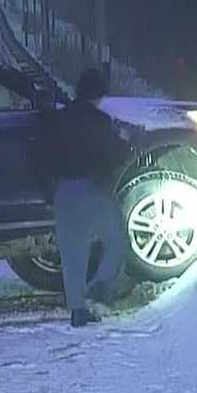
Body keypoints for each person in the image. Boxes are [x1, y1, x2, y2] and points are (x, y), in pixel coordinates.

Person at [37, 68, 129, 327]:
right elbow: (114, 155)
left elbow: (40, 154)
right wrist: (126, 141)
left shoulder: (59, 119)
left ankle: (78, 310)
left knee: (73, 254)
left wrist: (49, 189)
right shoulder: (100, 121)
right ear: (98, 94)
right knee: (117, 238)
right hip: (90, 190)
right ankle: (99, 286)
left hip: (62, 191)